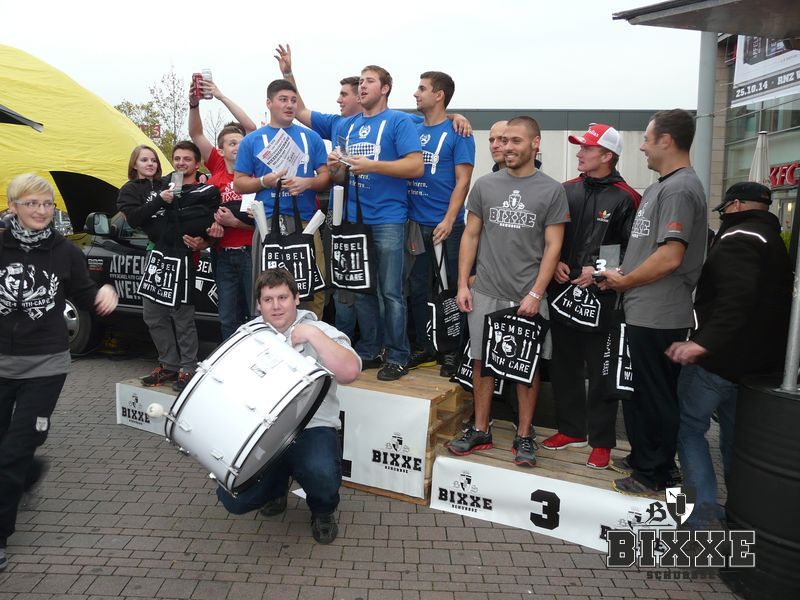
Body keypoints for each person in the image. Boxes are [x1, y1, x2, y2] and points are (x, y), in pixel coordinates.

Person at [0, 174, 118, 571]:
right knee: (7, 449)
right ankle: (28, 472)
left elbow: (82, 291)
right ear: (13, 206)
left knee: (14, 449)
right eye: (31, 203)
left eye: (46, 204)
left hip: (46, 363)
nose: (40, 211)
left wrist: (103, 293)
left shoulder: (65, 251)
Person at [666, 181, 792, 528]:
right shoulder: (772, 240)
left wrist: (702, 343)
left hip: (719, 361)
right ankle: (741, 513)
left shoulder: (739, 238)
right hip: (757, 367)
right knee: (735, 439)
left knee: (689, 428)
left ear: (734, 205)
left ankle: (702, 516)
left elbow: (737, 300)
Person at [446, 116, 569, 467]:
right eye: (504, 140)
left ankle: (525, 434)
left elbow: (553, 246)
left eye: (516, 141)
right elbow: (470, 236)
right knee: (480, 361)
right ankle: (480, 429)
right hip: (485, 291)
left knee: (527, 367)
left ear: (536, 143)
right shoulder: (485, 186)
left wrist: (536, 294)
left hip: (527, 296)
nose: (507, 147)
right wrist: (462, 284)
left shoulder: (552, 190)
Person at [601, 109, 707, 497]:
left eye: (647, 139)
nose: (642, 147)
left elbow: (671, 256)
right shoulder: (663, 186)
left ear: (666, 140)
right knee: (643, 391)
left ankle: (654, 473)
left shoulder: (680, 189)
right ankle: (645, 458)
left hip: (660, 312)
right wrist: (620, 274)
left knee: (655, 394)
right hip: (644, 307)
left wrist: (625, 280)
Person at [215, 268, 360, 544]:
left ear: (296, 298)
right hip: (263, 432)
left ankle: (323, 511)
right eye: (268, 299)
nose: (276, 306)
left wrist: (313, 335)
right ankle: (276, 488)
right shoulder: (247, 336)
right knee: (234, 498)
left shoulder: (321, 330)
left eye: (283, 297)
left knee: (321, 473)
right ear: (258, 304)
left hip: (312, 428)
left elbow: (350, 372)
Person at [542, 124, 640, 470]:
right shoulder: (565, 189)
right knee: (564, 365)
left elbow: (631, 248)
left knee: (601, 371)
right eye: (580, 147)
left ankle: (601, 441)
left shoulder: (627, 197)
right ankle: (571, 430)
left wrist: (597, 271)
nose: (580, 153)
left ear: (608, 156)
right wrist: (554, 262)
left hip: (602, 296)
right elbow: (549, 235)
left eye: (587, 148)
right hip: (562, 291)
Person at [325, 64, 424, 381]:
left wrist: (374, 165)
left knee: (390, 293)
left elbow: (416, 166)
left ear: (385, 88)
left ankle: (397, 354)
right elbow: (340, 176)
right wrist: (336, 167)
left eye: (370, 81)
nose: (363, 86)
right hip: (355, 219)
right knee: (362, 289)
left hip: (388, 218)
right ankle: (370, 349)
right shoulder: (349, 125)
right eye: (361, 81)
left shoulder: (398, 121)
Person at [118, 141, 221, 392]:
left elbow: (204, 214)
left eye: (153, 159)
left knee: (182, 316)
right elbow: (135, 218)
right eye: (144, 160)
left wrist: (204, 239)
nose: (150, 164)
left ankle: (188, 368)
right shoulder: (147, 187)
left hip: (182, 257)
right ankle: (169, 364)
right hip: (156, 256)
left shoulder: (186, 184)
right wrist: (159, 201)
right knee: (153, 314)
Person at [233, 79, 330, 319]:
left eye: (293, 100)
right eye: (283, 100)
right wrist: (264, 181)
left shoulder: (311, 138)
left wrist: (307, 182)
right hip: (268, 224)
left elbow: (325, 177)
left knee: (313, 287)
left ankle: (311, 335)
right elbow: (239, 183)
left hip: (306, 223)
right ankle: (272, 338)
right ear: (269, 103)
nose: (289, 105)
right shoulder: (252, 140)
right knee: (268, 289)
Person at [407, 71, 475, 377]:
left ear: (439, 95)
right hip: (414, 225)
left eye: (422, 88)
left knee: (449, 290)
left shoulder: (459, 132)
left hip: (447, 227)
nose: (415, 93)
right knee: (417, 289)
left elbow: (463, 181)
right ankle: (425, 348)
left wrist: (449, 219)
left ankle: (452, 352)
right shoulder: (412, 126)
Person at [188, 80, 257, 339]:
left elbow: (251, 128)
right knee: (228, 317)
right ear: (221, 150)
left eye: (240, 143)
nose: (237, 147)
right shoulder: (216, 166)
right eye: (231, 143)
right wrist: (194, 104)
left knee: (255, 314)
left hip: (251, 252)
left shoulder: (253, 168)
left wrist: (220, 95)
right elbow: (196, 134)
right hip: (223, 255)